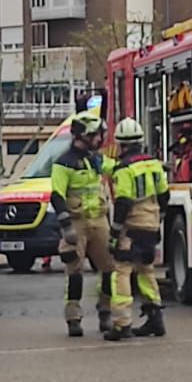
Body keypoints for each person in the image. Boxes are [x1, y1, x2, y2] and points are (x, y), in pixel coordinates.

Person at [49, 111, 115, 337]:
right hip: (76, 222)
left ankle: (105, 311)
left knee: (109, 268)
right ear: (82, 136)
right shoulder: (64, 163)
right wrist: (66, 226)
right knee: (75, 271)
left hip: (99, 220)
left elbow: (116, 168)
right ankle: (73, 317)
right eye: (95, 135)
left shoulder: (95, 159)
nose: (99, 139)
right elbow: (57, 195)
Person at [108, 117, 171, 340]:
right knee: (146, 269)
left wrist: (115, 233)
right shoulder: (154, 164)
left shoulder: (124, 169)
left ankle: (121, 323)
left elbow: (123, 202)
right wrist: (159, 218)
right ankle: (156, 319)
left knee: (122, 270)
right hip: (151, 224)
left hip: (132, 226)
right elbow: (164, 195)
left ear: (121, 144)